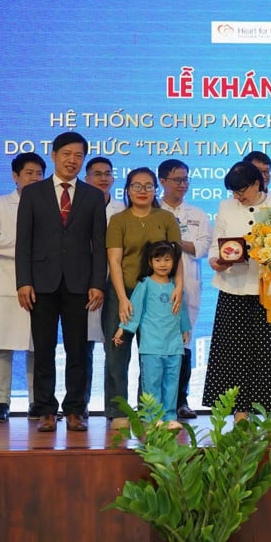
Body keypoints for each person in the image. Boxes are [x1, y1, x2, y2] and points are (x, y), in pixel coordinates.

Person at [15, 132, 107, 432]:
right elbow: (23, 242)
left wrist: (97, 283)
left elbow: (99, 243)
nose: (72, 160)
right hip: (41, 282)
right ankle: (44, 410)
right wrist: (23, 282)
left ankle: (75, 410)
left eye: (78, 155)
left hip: (80, 283)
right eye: (66, 154)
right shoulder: (33, 193)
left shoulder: (93, 196)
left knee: (77, 350)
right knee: (43, 349)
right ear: (53, 155)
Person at [202, 161, 271, 424]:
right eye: (233, 192)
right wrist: (216, 261)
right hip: (233, 288)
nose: (238, 197)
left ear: (256, 183)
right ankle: (240, 411)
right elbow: (214, 247)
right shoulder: (225, 207)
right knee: (233, 352)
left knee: (269, 352)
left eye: (242, 190)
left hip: (268, 290)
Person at [105, 166, 182, 430]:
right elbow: (114, 261)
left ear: (155, 189)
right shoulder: (118, 220)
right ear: (127, 190)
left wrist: (178, 288)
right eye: (136, 186)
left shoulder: (166, 219)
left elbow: (177, 258)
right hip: (123, 293)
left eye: (148, 186)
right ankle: (118, 411)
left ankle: (150, 412)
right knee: (117, 353)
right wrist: (122, 298)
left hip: (158, 296)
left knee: (152, 356)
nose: (143, 191)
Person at [0, 152, 45, 422]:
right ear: (15, 176)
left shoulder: (48, 203)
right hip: (8, 285)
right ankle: (1, 403)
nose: (34, 178)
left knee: (37, 347)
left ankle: (37, 402)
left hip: (42, 284)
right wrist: (26, 247)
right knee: (2, 346)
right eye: (28, 173)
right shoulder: (0, 204)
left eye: (39, 174)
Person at [114, 241, 191, 427]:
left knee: (171, 384)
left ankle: (170, 418)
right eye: (158, 260)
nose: (163, 264)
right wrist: (121, 329)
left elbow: (181, 310)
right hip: (151, 345)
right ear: (150, 262)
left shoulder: (176, 286)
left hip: (173, 344)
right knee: (152, 384)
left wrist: (184, 329)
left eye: (167, 260)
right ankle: (152, 418)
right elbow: (135, 309)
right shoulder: (145, 284)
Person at [157, 159, 210, 420]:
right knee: (156, 347)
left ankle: (181, 401)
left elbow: (202, 247)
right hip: (156, 287)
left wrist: (176, 241)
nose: (183, 184)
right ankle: (153, 403)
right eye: (177, 179)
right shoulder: (151, 211)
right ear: (163, 181)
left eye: (186, 179)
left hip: (188, 284)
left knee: (183, 345)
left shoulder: (197, 214)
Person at [84, 156, 125, 415]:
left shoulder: (122, 210)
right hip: (86, 284)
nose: (103, 178)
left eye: (107, 173)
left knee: (114, 348)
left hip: (116, 284)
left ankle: (115, 408)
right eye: (97, 174)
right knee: (82, 348)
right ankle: (81, 404)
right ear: (86, 178)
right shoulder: (79, 205)